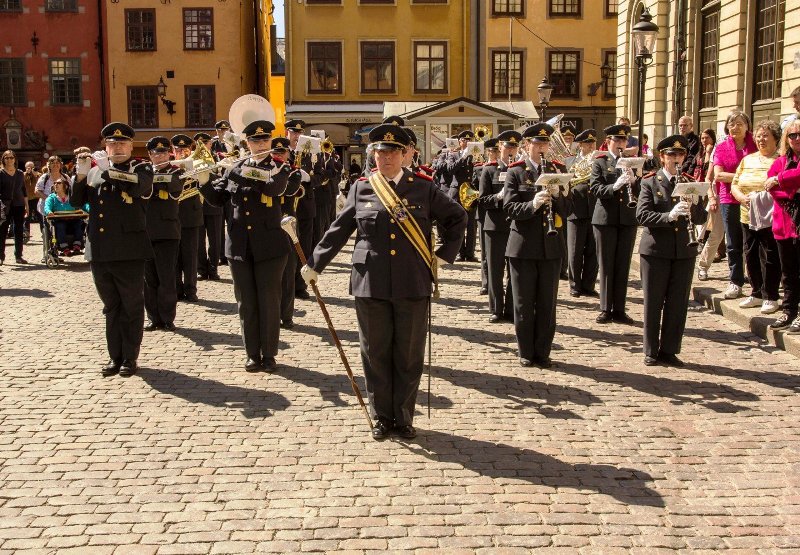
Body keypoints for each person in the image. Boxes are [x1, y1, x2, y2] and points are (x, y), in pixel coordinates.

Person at [301, 124, 467, 441]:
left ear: (404, 154)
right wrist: (315, 263)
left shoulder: (423, 188)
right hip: (370, 281)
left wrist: (444, 256)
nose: (386, 157)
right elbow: (339, 230)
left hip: (411, 280)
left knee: (408, 353)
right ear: (373, 155)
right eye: (380, 152)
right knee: (374, 352)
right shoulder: (362, 187)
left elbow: (457, 217)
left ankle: (403, 417)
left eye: (392, 152)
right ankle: (381, 416)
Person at [200, 120, 301, 372]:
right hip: (239, 245)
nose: (261, 145)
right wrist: (204, 183)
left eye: (265, 140)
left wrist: (240, 173)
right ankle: (252, 353)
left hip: (270, 246)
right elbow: (218, 199)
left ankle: (269, 354)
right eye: (256, 141)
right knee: (246, 302)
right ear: (247, 143)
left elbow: (274, 188)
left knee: (269, 301)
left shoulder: (280, 166)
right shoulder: (235, 166)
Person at [71, 123, 153, 377]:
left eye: (122, 143)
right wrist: (80, 175)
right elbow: (75, 201)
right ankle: (114, 356)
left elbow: (136, 187)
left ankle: (129, 357)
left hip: (129, 251)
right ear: (105, 146)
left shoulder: (140, 168)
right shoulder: (96, 172)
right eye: (112, 144)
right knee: (110, 306)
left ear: (131, 146)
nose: (117, 148)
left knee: (131, 305)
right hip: (100, 249)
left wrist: (108, 170)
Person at [636, 135, 708, 366]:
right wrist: (669, 215)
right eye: (671, 155)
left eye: (680, 154)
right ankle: (650, 350)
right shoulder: (650, 182)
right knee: (654, 301)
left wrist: (695, 204)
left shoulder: (689, 182)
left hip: (684, 250)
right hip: (656, 250)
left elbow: (701, 218)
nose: (676, 159)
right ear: (662, 157)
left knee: (678, 303)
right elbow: (642, 215)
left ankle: (669, 350)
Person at [504, 123, 570, 367]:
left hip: (550, 246)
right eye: (537, 143)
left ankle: (543, 352)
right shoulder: (516, 172)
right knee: (523, 302)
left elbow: (569, 210)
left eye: (545, 143)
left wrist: (559, 195)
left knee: (547, 303)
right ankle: (525, 351)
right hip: (522, 246)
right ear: (526, 145)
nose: (542, 147)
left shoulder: (558, 170)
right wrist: (532, 204)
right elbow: (509, 208)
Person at [730, 120, 782, 315]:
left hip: (770, 216)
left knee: (769, 256)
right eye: (758, 136)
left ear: (776, 138)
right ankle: (756, 292)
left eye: (766, 135)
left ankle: (771, 296)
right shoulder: (748, 159)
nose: (761, 139)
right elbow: (735, 184)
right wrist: (741, 198)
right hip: (747, 215)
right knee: (750, 254)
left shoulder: (780, 159)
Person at [589, 124, 639, 324]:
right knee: (606, 264)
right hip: (605, 219)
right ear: (608, 141)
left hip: (627, 219)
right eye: (617, 140)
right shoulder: (600, 162)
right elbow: (595, 188)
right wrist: (615, 186)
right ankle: (605, 308)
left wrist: (634, 181)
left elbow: (641, 192)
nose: (620, 144)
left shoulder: (630, 162)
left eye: (623, 140)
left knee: (622, 265)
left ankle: (619, 309)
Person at [713, 110, 758, 299]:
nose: (735, 127)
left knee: (754, 242)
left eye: (740, 123)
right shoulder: (722, 147)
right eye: (732, 124)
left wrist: (735, 177)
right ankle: (735, 281)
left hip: (753, 198)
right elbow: (718, 175)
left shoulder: (756, 144)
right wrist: (746, 177)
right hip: (729, 199)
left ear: (747, 126)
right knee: (733, 243)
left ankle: (757, 283)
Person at [478, 131, 520, 322]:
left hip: (515, 225)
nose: (510, 151)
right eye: (507, 147)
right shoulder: (489, 170)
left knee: (514, 269)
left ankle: (511, 308)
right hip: (495, 226)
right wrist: (498, 196)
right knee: (495, 269)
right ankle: (496, 308)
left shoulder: (521, 170)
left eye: (514, 147)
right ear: (500, 147)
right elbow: (482, 200)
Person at [143, 136, 184, 332]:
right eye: (155, 154)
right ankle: (153, 317)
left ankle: (168, 318)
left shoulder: (176, 171)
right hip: (146, 231)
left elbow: (175, 188)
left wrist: (156, 179)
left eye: (163, 153)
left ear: (169, 154)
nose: (159, 157)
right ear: (150, 155)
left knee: (167, 278)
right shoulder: (144, 172)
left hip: (168, 232)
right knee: (149, 279)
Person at [766, 119, 800, 332]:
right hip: (784, 225)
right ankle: (789, 311)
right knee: (788, 273)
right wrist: (793, 190)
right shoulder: (780, 161)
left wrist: (779, 180)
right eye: (792, 135)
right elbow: (769, 186)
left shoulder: (781, 169)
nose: (796, 138)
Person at [566, 129, 599, 297]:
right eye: (587, 143)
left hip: (595, 209)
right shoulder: (569, 161)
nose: (591, 146)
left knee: (593, 250)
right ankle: (575, 285)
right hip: (575, 209)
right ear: (580, 145)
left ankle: (589, 285)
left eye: (593, 143)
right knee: (575, 250)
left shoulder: (600, 162)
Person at [285, 119, 316, 300]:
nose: (297, 136)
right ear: (287, 133)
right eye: (293, 132)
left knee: (304, 247)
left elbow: (321, 175)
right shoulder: (280, 150)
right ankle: (287, 285)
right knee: (288, 249)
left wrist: (309, 179)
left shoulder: (311, 153)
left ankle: (300, 285)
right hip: (287, 206)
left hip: (305, 205)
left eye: (299, 133)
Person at [172, 134, 204, 302]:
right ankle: (177, 289)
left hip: (191, 215)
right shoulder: (169, 167)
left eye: (185, 150)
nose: (182, 153)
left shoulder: (198, 165)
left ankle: (191, 290)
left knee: (191, 255)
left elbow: (206, 184)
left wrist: (196, 173)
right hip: (172, 217)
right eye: (178, 150)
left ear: (191, 149)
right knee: (175, 256)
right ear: (173, 150)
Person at [695, 128, 724, 281]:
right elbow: (709, 177)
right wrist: (712, 197)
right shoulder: (721, 147)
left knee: (743, 238)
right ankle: (703, 266)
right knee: (716, 234)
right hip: (721, 195)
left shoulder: (750, 147)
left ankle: (745, 273)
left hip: (742, 197)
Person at [42, 176, 85, 256]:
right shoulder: (52, 198)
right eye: (54, 183)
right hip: (59, 220)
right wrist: (49, 212)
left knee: (79, 224)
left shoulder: (72, 197)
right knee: (60, 225)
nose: (56, 184)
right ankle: (64, 247)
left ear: (66, 186)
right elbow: (47, 207)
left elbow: (83, 205)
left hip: (73, 219)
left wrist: (89, 209)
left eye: (58, 183)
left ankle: (77, 245)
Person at [0, 150, 28, 265]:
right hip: (4, 206)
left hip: (19, 205)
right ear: (3, 160)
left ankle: (18, 256)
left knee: (19, 231)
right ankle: (1, 256)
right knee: (2, 231)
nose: (9, 160)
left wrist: (27, 205)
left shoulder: (20, 173)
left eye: (11, 157)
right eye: (7, 158)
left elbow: (24, 190)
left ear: (15, 159)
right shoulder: (1, 173)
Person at [23, 161, 41, 234]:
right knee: (27, 217)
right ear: (25, 168)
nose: (30, 169)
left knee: (40, 216)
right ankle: (26, 233)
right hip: (27, 199)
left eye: (32, 167)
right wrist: (26, 174)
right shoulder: (23, 175)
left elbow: (40, 184)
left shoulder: (38, 174)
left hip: (36, 198)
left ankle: (44, 233)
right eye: (28, 167)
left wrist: (35, 175)